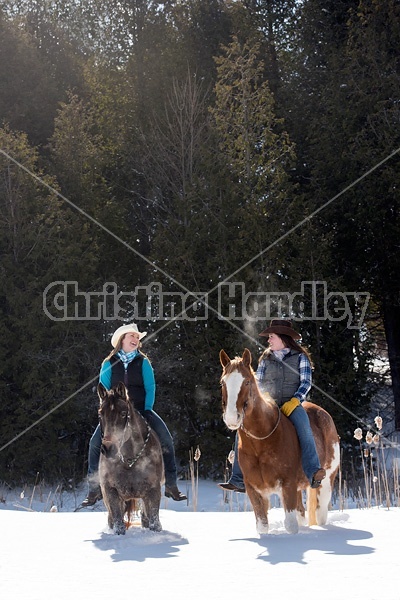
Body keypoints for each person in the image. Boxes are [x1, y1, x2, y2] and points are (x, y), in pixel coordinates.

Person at [81, 323, 187, 507]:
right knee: (94, 443)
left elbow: (150, 387)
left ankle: (171, 485)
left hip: (141, 410)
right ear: (122, 339)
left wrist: (146, 409)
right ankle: (94, 490)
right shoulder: (108, 363)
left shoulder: (143, 362)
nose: (136, 340)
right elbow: (104, 391)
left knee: (166, 439)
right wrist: (109, 413)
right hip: (116, 415)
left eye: (137, 337)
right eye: (132, 336)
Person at [218, 319, 326, 493]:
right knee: (242, 428)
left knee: (305, 428)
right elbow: (258, 382)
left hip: (292, 403)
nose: (269, 340)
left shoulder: (300, 357)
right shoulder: (266, 358)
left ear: (283, 338)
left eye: (271, 337)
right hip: (270, 404)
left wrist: (296, 399)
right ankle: (238, 478)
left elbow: (306, 382)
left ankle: (313, 471)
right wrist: (265, 396)